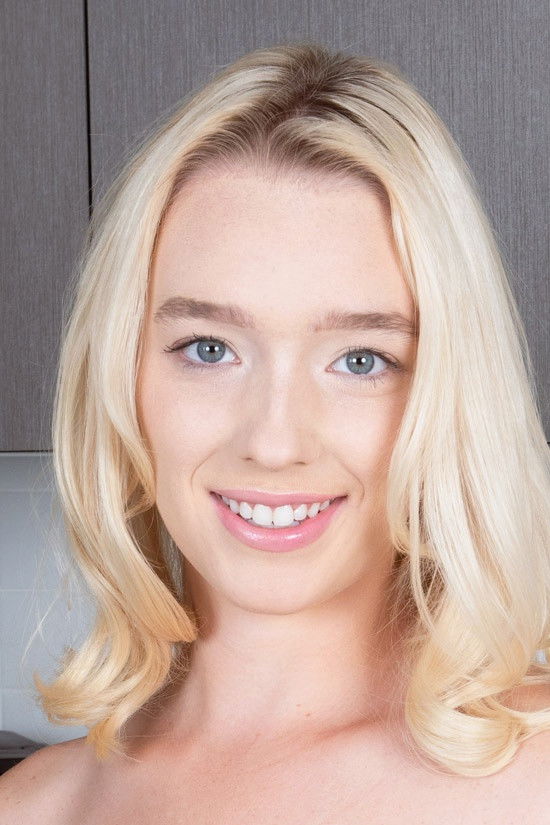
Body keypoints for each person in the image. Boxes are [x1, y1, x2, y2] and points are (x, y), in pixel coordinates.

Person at [2, 41, 550, 823]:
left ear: (451, 392)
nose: (275, 440)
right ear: (122, 376)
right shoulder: (36, 806)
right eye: (209, 348)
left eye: (361, 359)